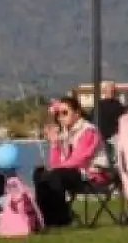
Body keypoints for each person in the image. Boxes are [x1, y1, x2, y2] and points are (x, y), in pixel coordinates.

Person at [34, 96, 107, 227]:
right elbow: (55, 164)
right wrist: (55, 144)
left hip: (91, 174)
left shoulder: (88, 131)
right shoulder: (66, 133)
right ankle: (46, 216)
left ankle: (62, 217)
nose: (61, 117)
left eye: (65, 113)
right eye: (58, 114)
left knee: (56, 175)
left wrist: (55, 170)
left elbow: (79, 159)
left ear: (77, 113)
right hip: (71, 173)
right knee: (40, 174)